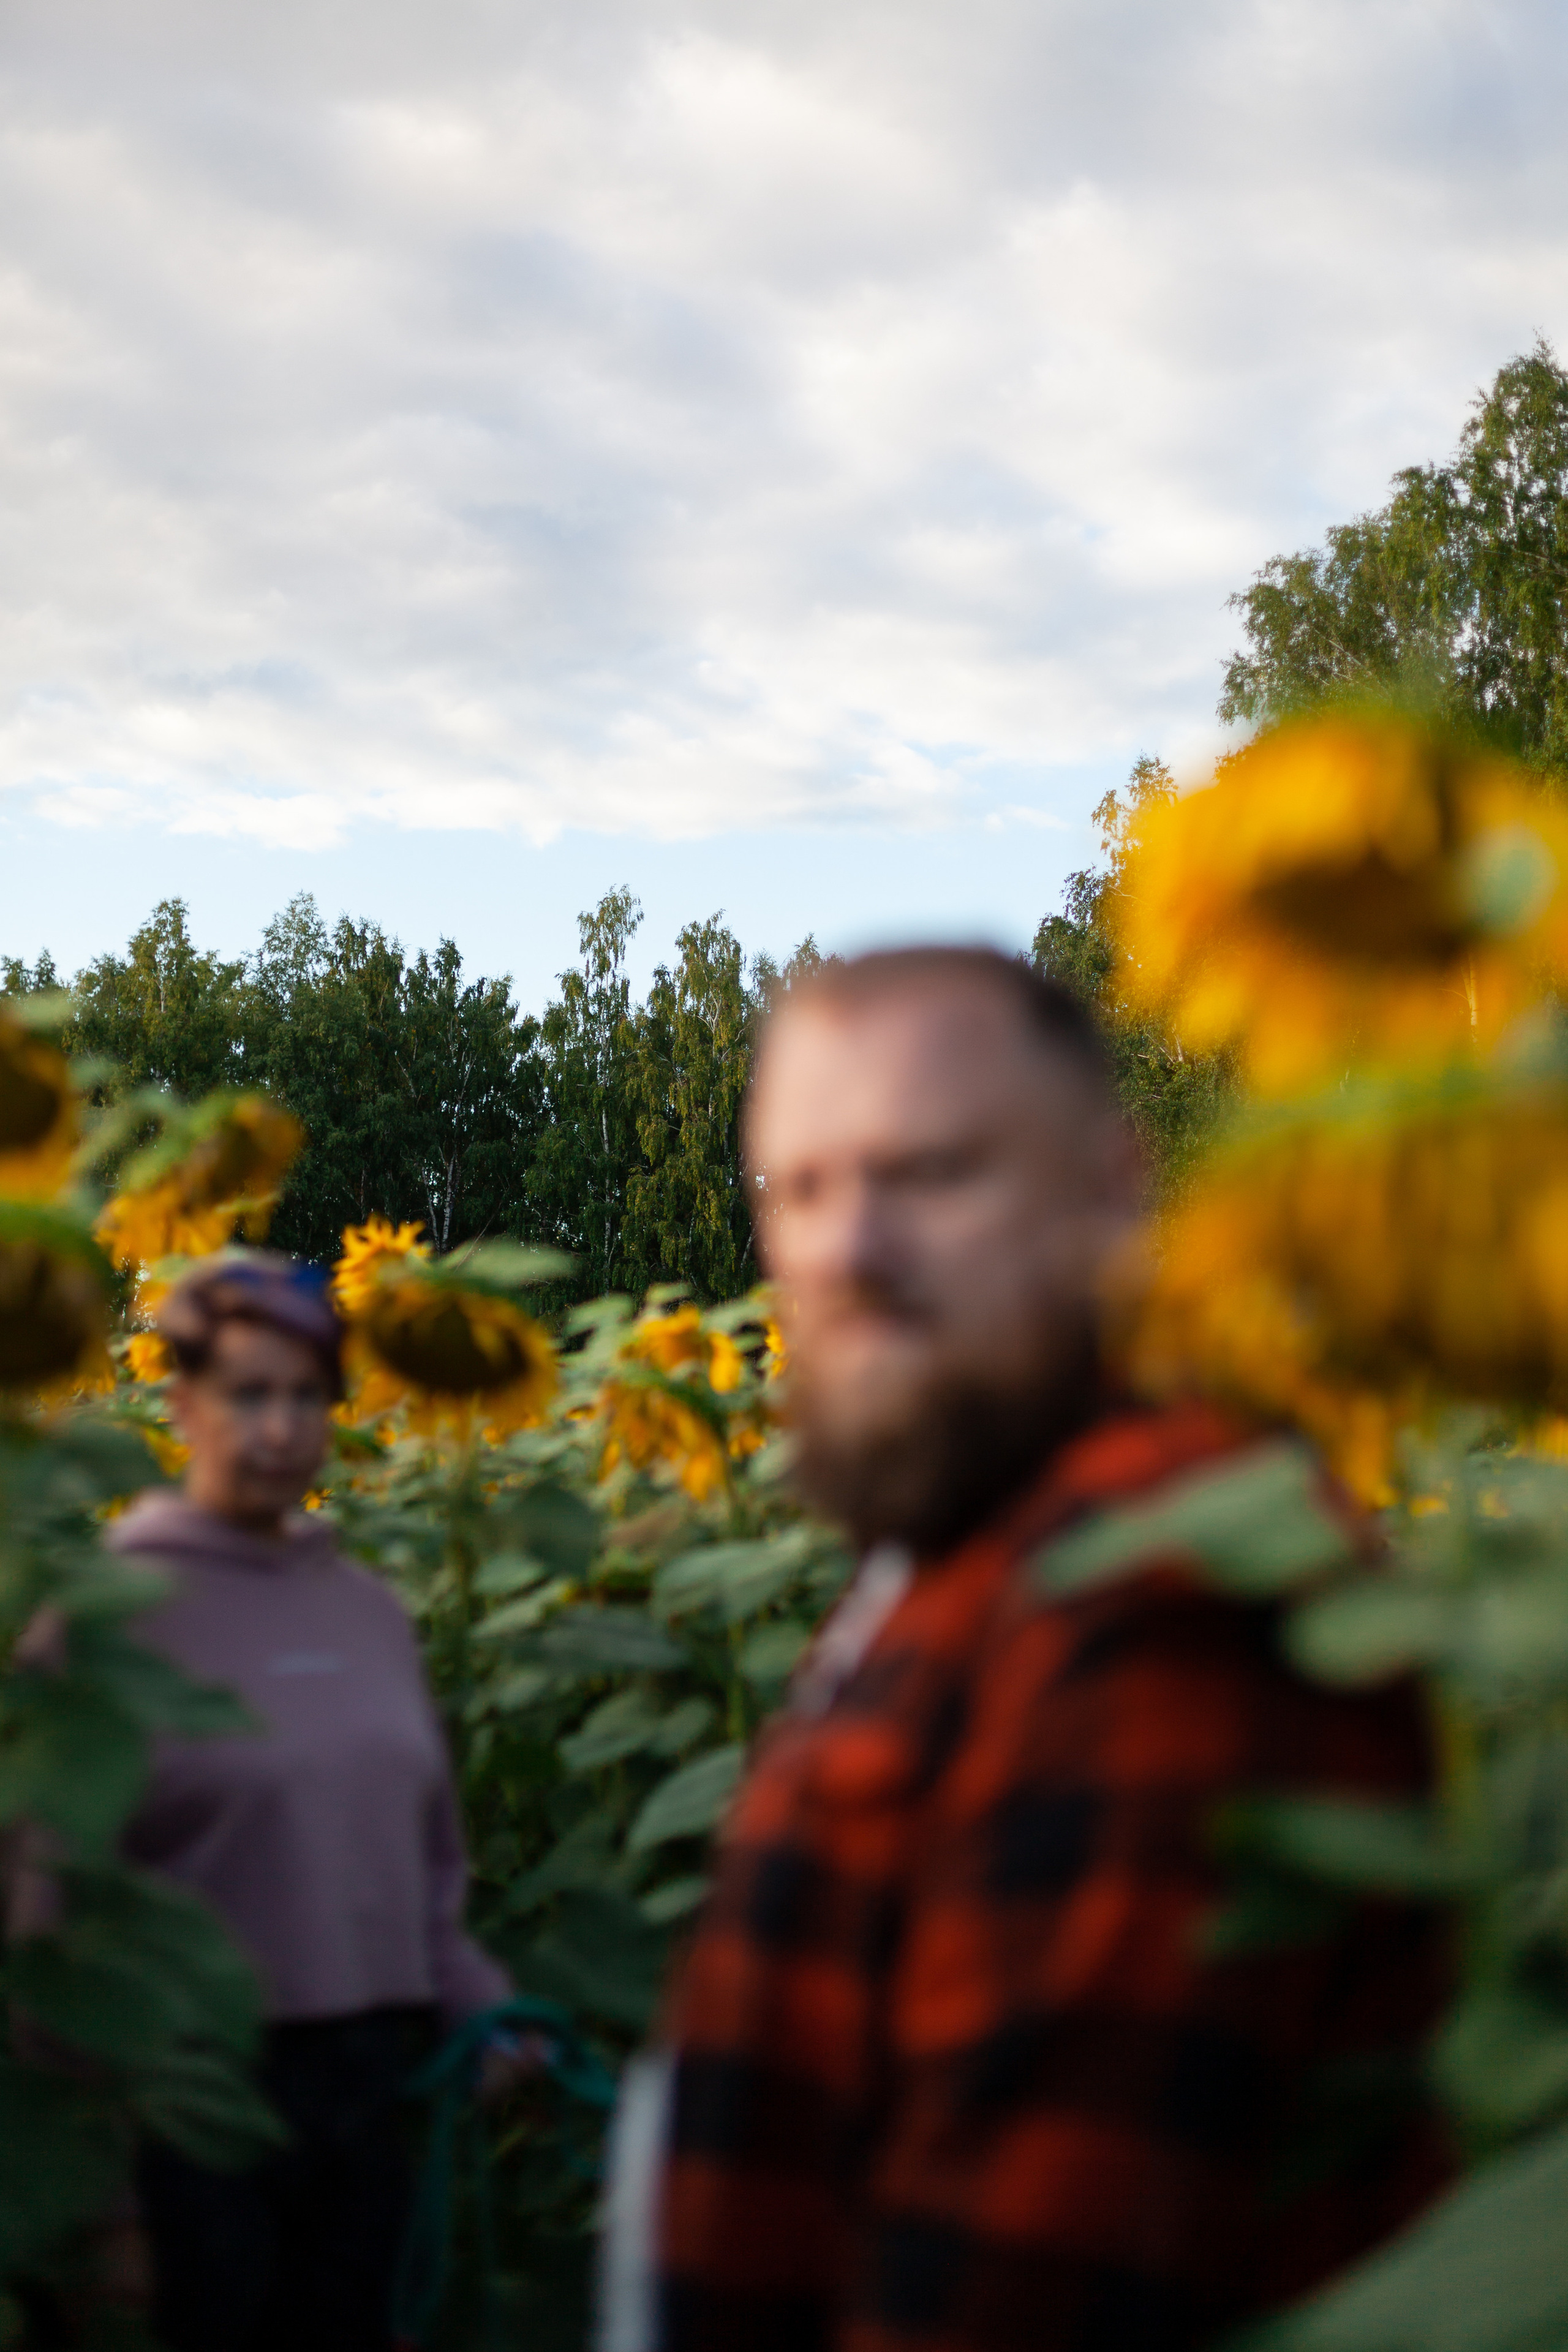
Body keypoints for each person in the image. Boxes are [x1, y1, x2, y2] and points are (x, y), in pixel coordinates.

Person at [604, 948, 1450, 2352]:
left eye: (927, 1175)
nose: (842, 1254)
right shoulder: (978, 1531)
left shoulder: (1158, 1602)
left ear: (1109, 1192)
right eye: (799, 1189)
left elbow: (1023, 2287)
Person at [104, 1252, 525, 2352]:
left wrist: (478, 2006)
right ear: (185, 1405)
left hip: (367, 2095)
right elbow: (51, 1894)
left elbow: (425, 1863)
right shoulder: (119, 1610)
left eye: (306, 1396)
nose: (282, 1426)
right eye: (250, 1394)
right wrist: (103, 2202)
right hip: (193, 2106)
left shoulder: (369, 1613)